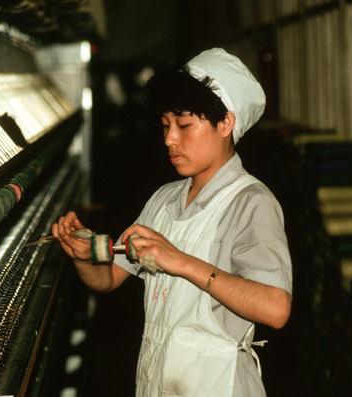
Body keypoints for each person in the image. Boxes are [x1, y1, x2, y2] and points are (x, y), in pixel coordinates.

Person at [52, 48, 293, 397]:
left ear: (226, 122)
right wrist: (85, 254)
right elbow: (108, 278)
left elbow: (276, 308)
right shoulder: (163, 200)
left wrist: (179, 260)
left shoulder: (251, 203)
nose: (169, 139)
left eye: (183, 125)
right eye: (165, 125)